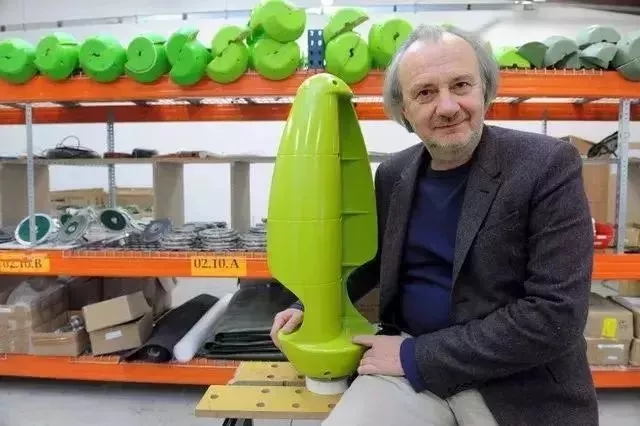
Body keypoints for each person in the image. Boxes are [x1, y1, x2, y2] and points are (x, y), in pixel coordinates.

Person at [270, 24, 598, 426]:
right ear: (404, 110)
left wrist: (417, 356)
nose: (447, 107)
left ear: (484, 90)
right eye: (425, 93)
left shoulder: (547, 165)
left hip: (515, 381)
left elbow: (556, 315)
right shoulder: (393, 174)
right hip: (406, 369)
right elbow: (367, 262)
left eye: (460, 85)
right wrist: (308, 307)